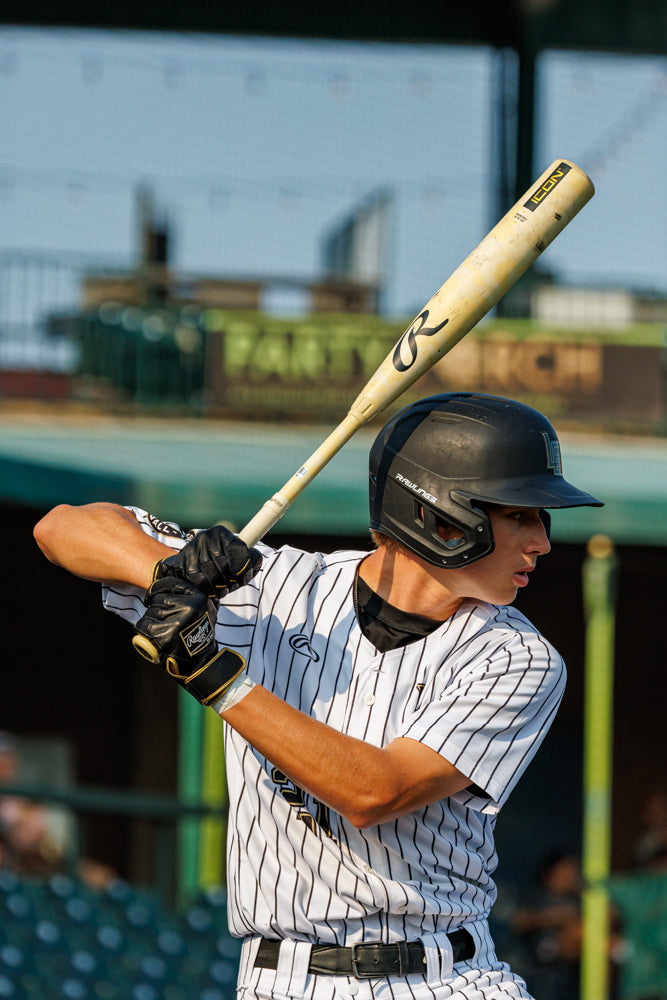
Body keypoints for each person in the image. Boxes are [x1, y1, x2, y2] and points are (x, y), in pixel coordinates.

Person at [34, 392, 602, 999]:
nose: (542, 540)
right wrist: (168, 577)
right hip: (281, 978)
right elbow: (62, 526)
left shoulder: (519, 658)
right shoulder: (277, 585)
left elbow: (375, 790)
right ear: (441, 515)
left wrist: (219, 680)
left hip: (443, 978)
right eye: (521, 514)